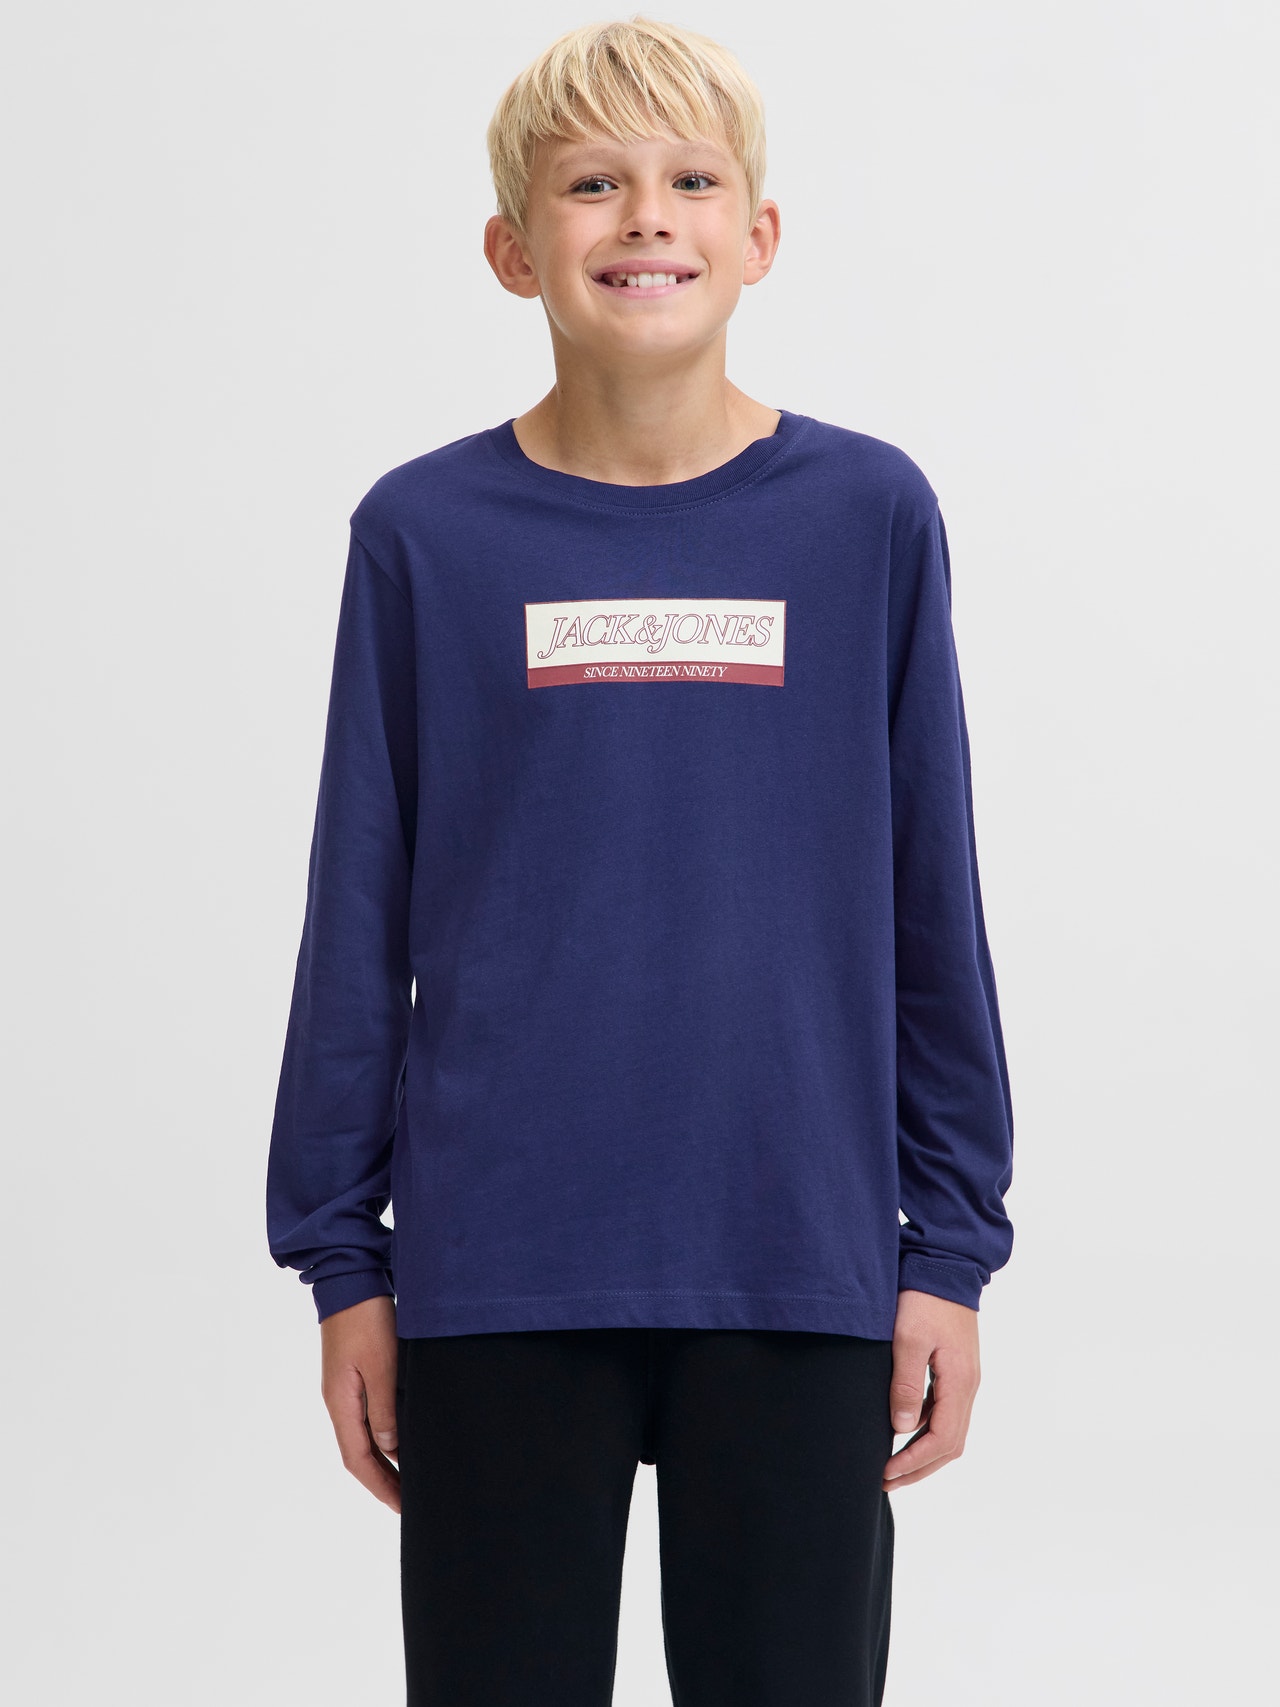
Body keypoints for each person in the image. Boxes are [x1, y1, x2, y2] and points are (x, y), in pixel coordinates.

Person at [265, 16, 1014, 1706]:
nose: (647, 217)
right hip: (497, 1269)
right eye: (592, 184)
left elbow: (932, 900)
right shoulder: (424, 536)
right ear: (511, 248)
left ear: (760, 236)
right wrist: (343, 1261)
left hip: (799, 1254)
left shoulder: (868, 518)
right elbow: (356, 910)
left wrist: (949, 1249)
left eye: (691, 181)